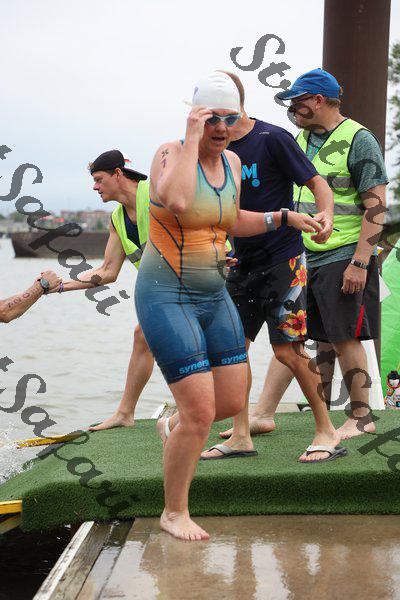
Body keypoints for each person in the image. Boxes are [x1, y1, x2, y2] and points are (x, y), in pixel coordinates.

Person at [135, 71, 322, 541]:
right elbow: (178, 200)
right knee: (200, 412)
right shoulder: (169, 154)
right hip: (167, 294)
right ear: (196, 117)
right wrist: (191, 136)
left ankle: (177, 429)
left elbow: (231, 219)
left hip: (214, 292)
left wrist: (284, 217)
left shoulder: (234, 162)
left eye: (230, 118)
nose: (221, 128)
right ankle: (174, 511)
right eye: (211, 118)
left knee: (232, 402)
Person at [202, 71, 344, 465]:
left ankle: (326, 431)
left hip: (284, 260)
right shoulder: (212, 150)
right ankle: (241, 435)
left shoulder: (272, 138)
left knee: (288, 351)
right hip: (239, 263)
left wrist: (327, 215)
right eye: (208, 117)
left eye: (221, 115)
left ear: (237, 107)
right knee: (234, 351)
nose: (215, 126)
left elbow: (317, 183)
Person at [244, 68, 388, 440]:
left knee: (344, 337)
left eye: (297, 102)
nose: (292, 109)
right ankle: (265, 414)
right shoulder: (302, 139)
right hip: (302, 255)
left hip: (344, 253)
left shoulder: (359, 140)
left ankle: (361, 417)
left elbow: (376, 207)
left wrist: (360, 262)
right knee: (290, 338)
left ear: (319, 100)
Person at [50, 150, 155, 431]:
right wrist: (61, 286)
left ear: (117, 174)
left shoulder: (155, 192)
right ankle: (125, 414)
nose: (95, 187)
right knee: (143, 336)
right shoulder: (117, 218)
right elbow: (108, 271)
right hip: (166, 286)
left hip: (208, 273)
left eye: (98, 179)